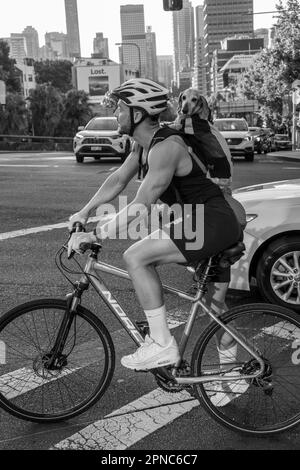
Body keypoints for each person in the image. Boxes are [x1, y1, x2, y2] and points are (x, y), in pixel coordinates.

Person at [67, 78, 242, 374]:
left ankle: (162, 344)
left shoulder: (167, 147)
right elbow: (118, 179)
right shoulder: (142, 147)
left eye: (121, 108)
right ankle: (231, 373)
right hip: (197, 221)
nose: (116, 115)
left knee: (136, 256)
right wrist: (84, 211)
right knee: (214, 305)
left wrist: (96, 233)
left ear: (138, 113)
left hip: (212, 219)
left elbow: (141, 202)